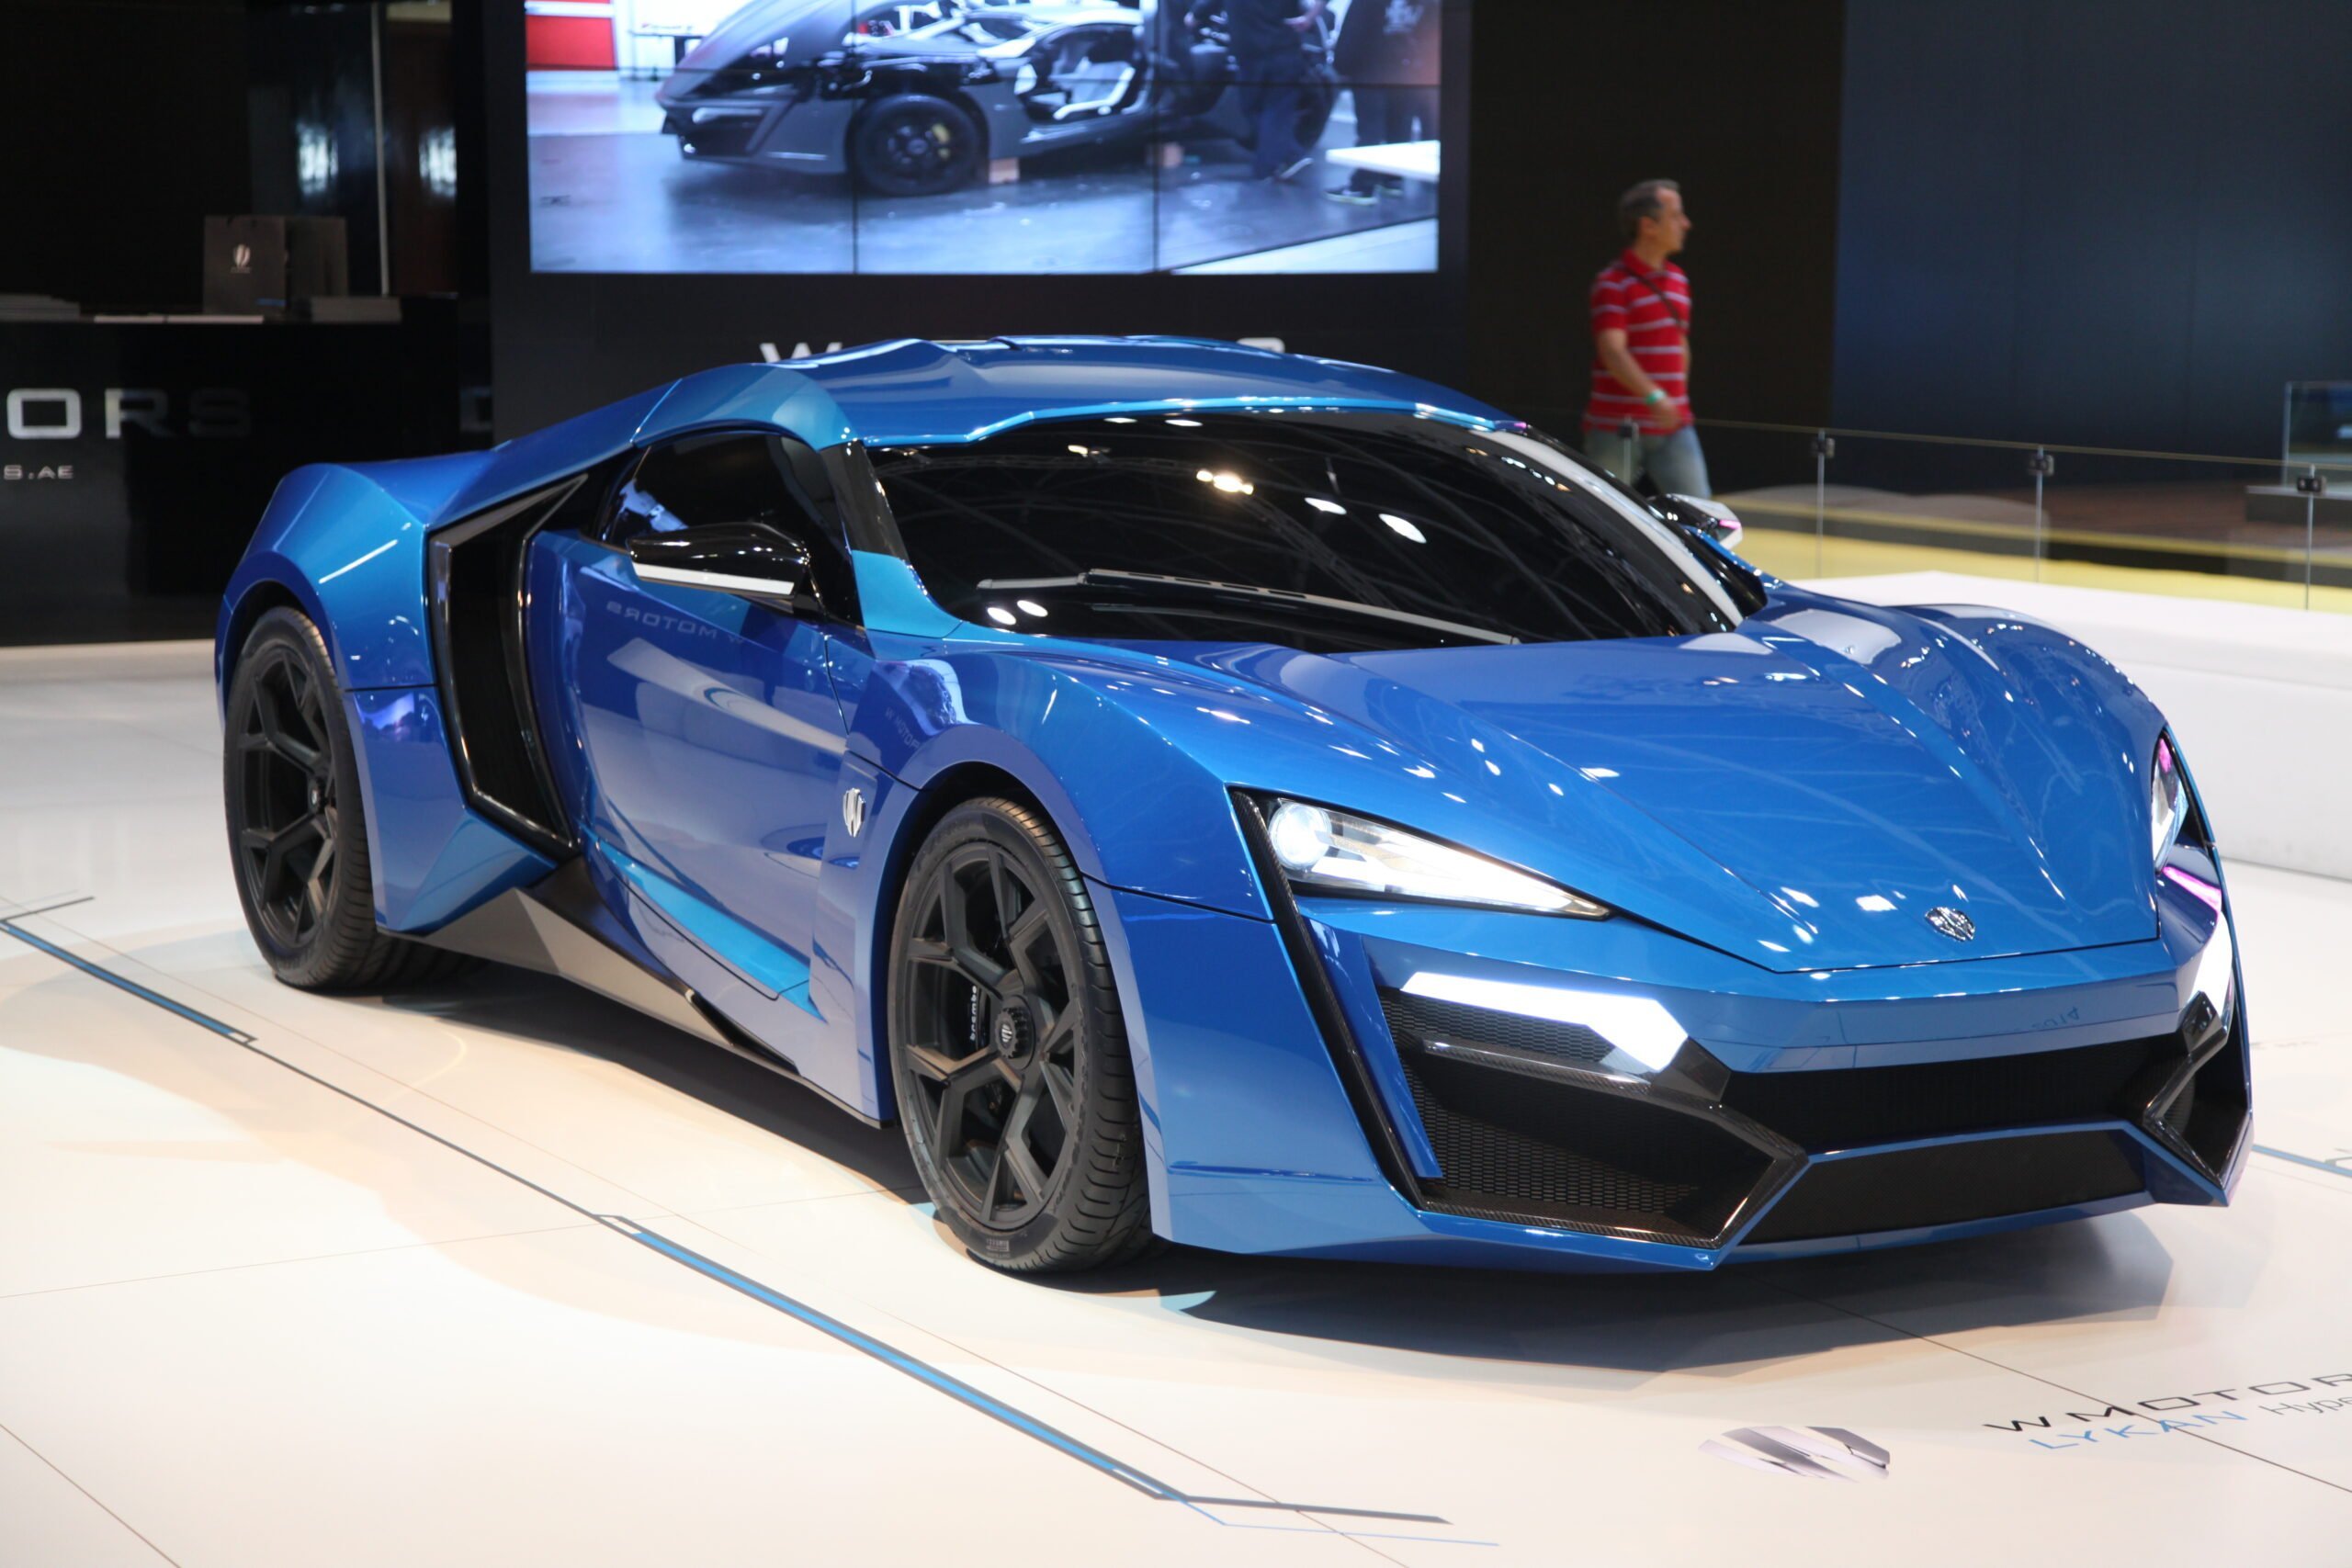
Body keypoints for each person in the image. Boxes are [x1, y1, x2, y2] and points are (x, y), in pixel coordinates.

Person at [1584, 178, 1710, 498]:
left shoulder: (1679, 281)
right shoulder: (1613, 283)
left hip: (1673, 423)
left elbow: (1680, 344)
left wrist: (1676, 400)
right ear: (1648, 226)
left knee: (1699, 512)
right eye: (1676, 216)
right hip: (1617, 427)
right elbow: (1613, 351)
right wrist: (1655, 397)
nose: (1685, 224)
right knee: (1602, 510)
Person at [1188, 0, 1328, 182]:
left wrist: (1191, 19)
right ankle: (1284, 158)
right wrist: (1310, 17)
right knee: (1275, 110)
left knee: (1254, 109)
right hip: (1282, 50)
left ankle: (1280, 162)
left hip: (1251, 55)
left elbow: (1204, 7)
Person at [1325, 0, 1440, 205]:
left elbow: (1354, 30)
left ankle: (1362, 186)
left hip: (1371, 69)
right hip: (1407, 70)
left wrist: (1341, 67)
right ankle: (1392, 179)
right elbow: (1431, 34)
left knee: (1370, 131)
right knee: (1400, 128)